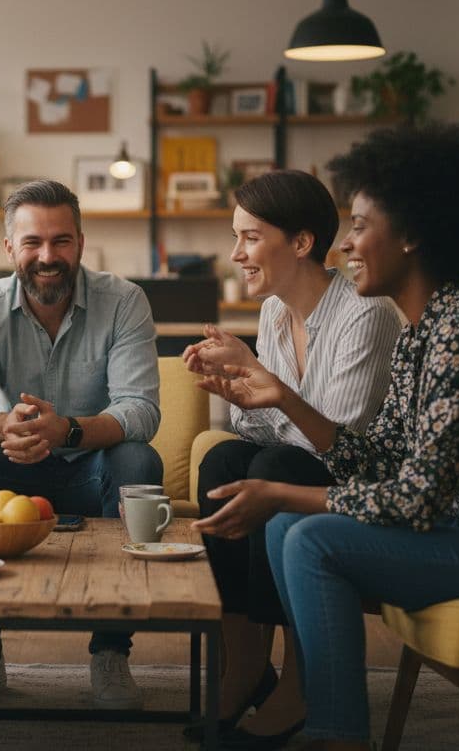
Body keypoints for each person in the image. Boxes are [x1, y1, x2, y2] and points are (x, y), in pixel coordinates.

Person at [193, 123, 459, 751]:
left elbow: (415, 498)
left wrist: (283, 493)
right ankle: (312, 707)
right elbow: (377, 458)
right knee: (289, 530)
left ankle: (333, 732)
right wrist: (279, 396)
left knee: (306, 537)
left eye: (360, 226)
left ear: (413, 236)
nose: (347, 246)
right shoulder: (425, 331)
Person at [180, 170, 399, 748]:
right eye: (237, 237)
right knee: (223, 463)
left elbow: (339, 445)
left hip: (358, 480)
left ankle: (301, 686)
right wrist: (239, 396)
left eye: (250, 238)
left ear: (301, 244)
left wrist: (272, 388)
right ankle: (247, 666)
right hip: (307, 462)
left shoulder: (365, 315)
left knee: (274, 470)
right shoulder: (276, 312)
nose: (236, 254)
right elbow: (268, 428)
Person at [0, 179, 163, 709]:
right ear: (9, 248)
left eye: (61, 241)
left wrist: (69, 430)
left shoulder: (125, 301)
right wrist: (4, 427)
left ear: (80, 241)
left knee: (137, 458)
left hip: (89, 468)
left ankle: (110, 656)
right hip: (9, 472)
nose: (47, 256)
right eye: (32, 242)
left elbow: (141, 411)